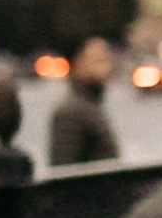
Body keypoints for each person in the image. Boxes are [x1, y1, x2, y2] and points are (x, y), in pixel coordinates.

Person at [46, 37, 121, 165]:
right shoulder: (70, 113)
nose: (107, 67)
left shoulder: (90, 106)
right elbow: (64, 171)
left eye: (108, 59)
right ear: (78, 63)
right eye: (99, 60)